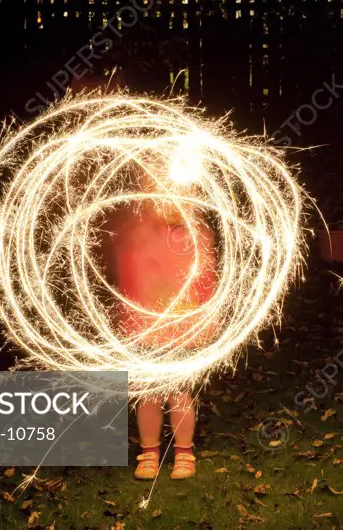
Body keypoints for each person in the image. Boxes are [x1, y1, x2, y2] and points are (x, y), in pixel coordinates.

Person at [112, 177, 218, 480]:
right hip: (146, 328)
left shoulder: (196, 235)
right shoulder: (139, 235)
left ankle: (184, 452)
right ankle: (149, 453)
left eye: (180, 197)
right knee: (148, 394)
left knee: (179, 392)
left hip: (181, 328)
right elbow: (130, 278)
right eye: (160, 197)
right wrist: (128, 316)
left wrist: (206, 318)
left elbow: (204, 279)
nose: (169, 204)